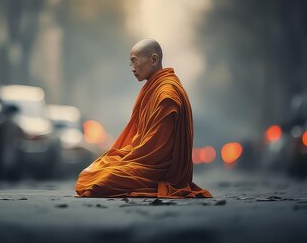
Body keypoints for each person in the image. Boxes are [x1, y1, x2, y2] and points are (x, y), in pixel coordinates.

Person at [75, 39, 212, 198]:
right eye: (130, 63)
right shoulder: (154, 88)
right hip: (143, 157)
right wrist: (123, 155)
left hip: (159, 168)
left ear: (154, 60)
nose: (132, 68)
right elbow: (142, 138)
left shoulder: (167, 93)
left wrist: (127, 159)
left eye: (135, 61)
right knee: (92, 172)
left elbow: (157, 150)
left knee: (99, 180)